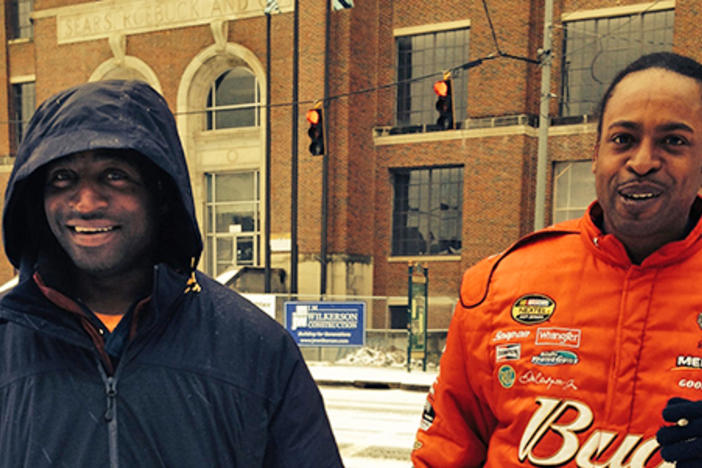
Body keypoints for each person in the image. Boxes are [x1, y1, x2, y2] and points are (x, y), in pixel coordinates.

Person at [0, 80, 343, 467]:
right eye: (62, 177)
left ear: (161, 194)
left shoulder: (256, 349)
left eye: (114, 174)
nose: (87, 202)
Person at [411, 51, 702, 468]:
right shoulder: (498, 285)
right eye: (623, 139)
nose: (642, 162)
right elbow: (443, 455)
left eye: (674, 141)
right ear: (596, 154)